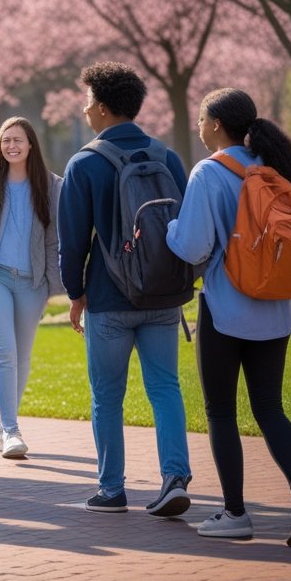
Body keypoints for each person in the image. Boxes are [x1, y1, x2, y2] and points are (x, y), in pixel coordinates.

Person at [166, 88, 291, 546]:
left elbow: (194, 246)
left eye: (200, 118)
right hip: (275, 309)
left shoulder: (208, 171)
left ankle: (235, 513)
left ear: (215, 124)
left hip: (226, 308)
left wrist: (171, 227)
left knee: (221, 412)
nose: (197, 126)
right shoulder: (273, 168)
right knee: (270, 408)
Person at [58, 61, 193, 515]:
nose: (84, 108)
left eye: (87, 100)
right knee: (165, 387)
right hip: (162, 295)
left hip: (109, 297)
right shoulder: (167, 157)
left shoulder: (85, 162)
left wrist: (75, 293)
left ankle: (112, 490)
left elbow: (73, 240)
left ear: (100, 106)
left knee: (107, 396)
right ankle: (175, 477)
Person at [0, 117, 62, 459]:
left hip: (33, 281)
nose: (11, 146)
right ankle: (11, 429)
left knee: (22, 356)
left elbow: (54, 239)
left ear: (31, 145)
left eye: (18, 140)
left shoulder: (52, 186)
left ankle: (4, 424)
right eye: (6, 140)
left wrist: (53, 284)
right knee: (4, 351)